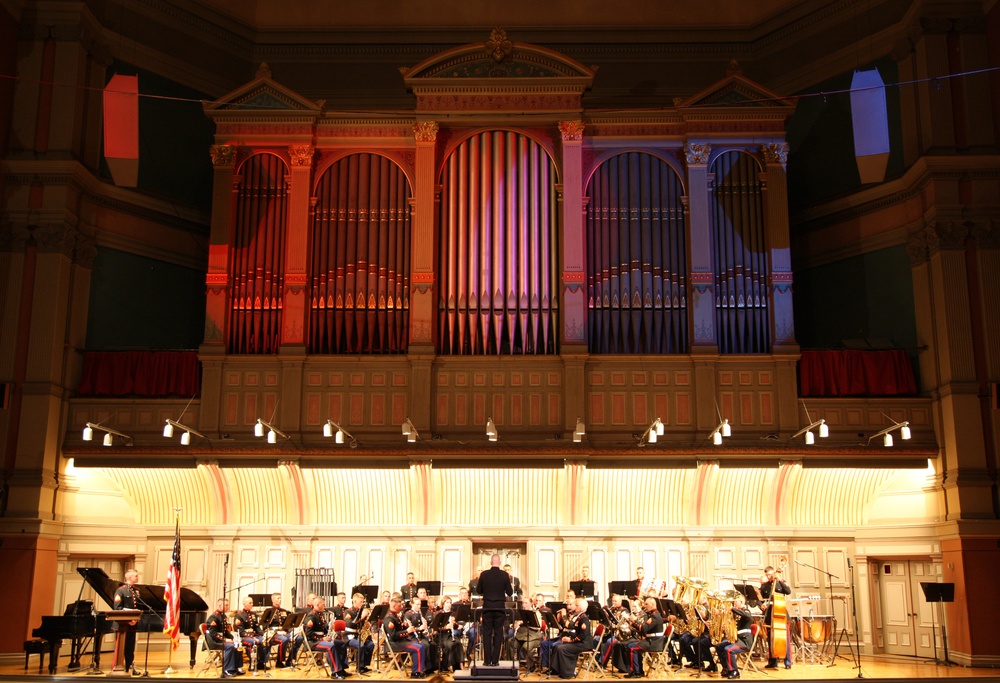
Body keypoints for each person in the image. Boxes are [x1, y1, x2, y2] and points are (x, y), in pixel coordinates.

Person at [612, 597, 664, 678]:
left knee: (632, 647)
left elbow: (644, 629)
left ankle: (636, 672)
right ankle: (638, 670)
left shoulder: (655, 616)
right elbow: (642, 630)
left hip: (654, 642)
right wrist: (631, 622)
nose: (644, 606)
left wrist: (635, 621)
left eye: (646, 604)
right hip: (650, 640)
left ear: (652, 604)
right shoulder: (651, 614)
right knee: (630, 645)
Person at [477, 553, 514, 666]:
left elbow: (479, 590)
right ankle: (495, 661)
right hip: (499, 608)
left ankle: (487, 661)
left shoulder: (484, 574)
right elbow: (510, 592)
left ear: (491, 562)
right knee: (498, 633)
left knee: (487, 633)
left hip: (487, 607)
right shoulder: (504, 575)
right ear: (500, 563)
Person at [303, 598, 349, 679]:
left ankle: (342, 669)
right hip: (313, 642)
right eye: (323, 604)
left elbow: (324, 629)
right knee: (330, 646)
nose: (325, 606)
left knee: (342, 644)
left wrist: (330, 627)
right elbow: (308, 634)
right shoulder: (311, 616)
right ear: (317, 605)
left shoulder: (320, 614)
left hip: (321, 640)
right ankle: (335, 672)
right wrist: (322, 639)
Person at [384, 597, 428, 678]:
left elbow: (398, 628)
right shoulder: (389, 618)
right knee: (417, 648)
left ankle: (420, 670)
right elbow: (393, 636)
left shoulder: (395, 615)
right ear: (394, 606)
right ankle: (415, 672)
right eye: (399, 606)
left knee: (421, 645)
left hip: (400, 641)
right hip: (395, 644)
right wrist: (407, 631)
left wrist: (405, 626)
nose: (401, 608)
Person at [549, 598, 592, 679]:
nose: (575, 607)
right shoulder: (579, 616)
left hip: (584, 644)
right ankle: (556, 670)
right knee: (558, 647)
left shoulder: (584, 618)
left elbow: (582, 636)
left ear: (579, 607)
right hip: (579, 642)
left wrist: (570, 640)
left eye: (576, 605)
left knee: (562, 648)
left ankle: (567, 673)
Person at [760, 565, 792, 669]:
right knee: (771, 639)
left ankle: (788, 662)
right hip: (770, 616)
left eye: (770, 574)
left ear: (774, 573)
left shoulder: (780, 583)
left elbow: (788, 592)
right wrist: (762, 605)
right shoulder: (765, 586)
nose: (769, 577)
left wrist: (780, 580)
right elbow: (760, 599)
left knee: (785, 639)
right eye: (767, 575)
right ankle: (773, 661)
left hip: (781, 615)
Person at [717, 594, 754, 679]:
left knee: (729, 649)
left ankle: (734, 671)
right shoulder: (736, 612)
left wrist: (732, 609)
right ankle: (726, 667)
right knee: (719, 646)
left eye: (736, 601)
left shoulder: (746, 611)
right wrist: (725, 628)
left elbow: (747, 616)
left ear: (741, 602)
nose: (734, 602)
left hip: (745, 642)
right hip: (737, 640)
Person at [112, 569, 141, 675]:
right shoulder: (120, 591)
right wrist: (128, 620)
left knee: (130, 646)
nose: (137, 577)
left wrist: (135, 619)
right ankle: (118, 668)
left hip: (133, 624)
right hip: (122, 625)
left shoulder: (136, 591)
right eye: (136, 576)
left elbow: (138, 607)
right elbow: (118, 608)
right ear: (129, 577)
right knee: (121, 647)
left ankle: (129, 667)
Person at [206, 598, 245, 676]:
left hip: (220, 639)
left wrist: (233, 638)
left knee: (237, 644)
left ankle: (236, 667)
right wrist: (225, 640)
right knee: (230, 646)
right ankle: (227, 669)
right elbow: (213, 634)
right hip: (214, 641)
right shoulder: (213, 617)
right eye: (226, 605)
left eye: (228, 605)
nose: (227, 607)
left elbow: (225, 631)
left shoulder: (222, 616)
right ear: (219, 605)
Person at [232, 596, 269, 672]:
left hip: (254, 635)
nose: (252, 604)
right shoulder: (239, 615)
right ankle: (252, 664)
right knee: (252, 642)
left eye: (252, 603)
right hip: (244, 637)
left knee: (265, 641)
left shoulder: (253, 614)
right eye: (250, 603)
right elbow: (241, 632)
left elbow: (257, 628)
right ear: (244, 604)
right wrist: (252, 637)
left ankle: (261, 663)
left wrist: (264, 634)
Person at [345, 592, 375, 673]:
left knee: (370, 644)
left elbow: (363, 623)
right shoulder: (348, 611)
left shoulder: (361, 611)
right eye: (360, 602)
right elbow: (350, 624)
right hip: (349, 636)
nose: (362, 604)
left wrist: (367, 623)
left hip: (359, 635)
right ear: (354, 601)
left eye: (363, 602)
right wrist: (362, 618)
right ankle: (358, 668)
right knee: (360, 646)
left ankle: (363, 665)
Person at [512, 596, 544, 673]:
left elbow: (538, 627)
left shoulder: (536, 613)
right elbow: (514, 626)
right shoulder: (520, 613)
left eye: (526, 603)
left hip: (534, 637)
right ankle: (511, 664)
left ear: (531, 603)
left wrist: (525, 622)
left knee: (526, 647)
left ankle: (531, 665)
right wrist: (516, 624)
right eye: (523, 603)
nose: (524, 605)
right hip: (521, 636)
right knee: (511, 642)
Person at [264, 593, 294, 668]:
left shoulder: (284, 611)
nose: (280, 600)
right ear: (273, 600)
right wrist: (277, 631)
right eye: (278, 598)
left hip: (284, 632)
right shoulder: (268, 611)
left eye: (280, 598)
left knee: (298, 638)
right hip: (273, 633)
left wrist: (291, 631)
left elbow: (287, 624)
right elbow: (265, 627)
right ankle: (280, 661)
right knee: (284, 640)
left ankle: (289, 660)